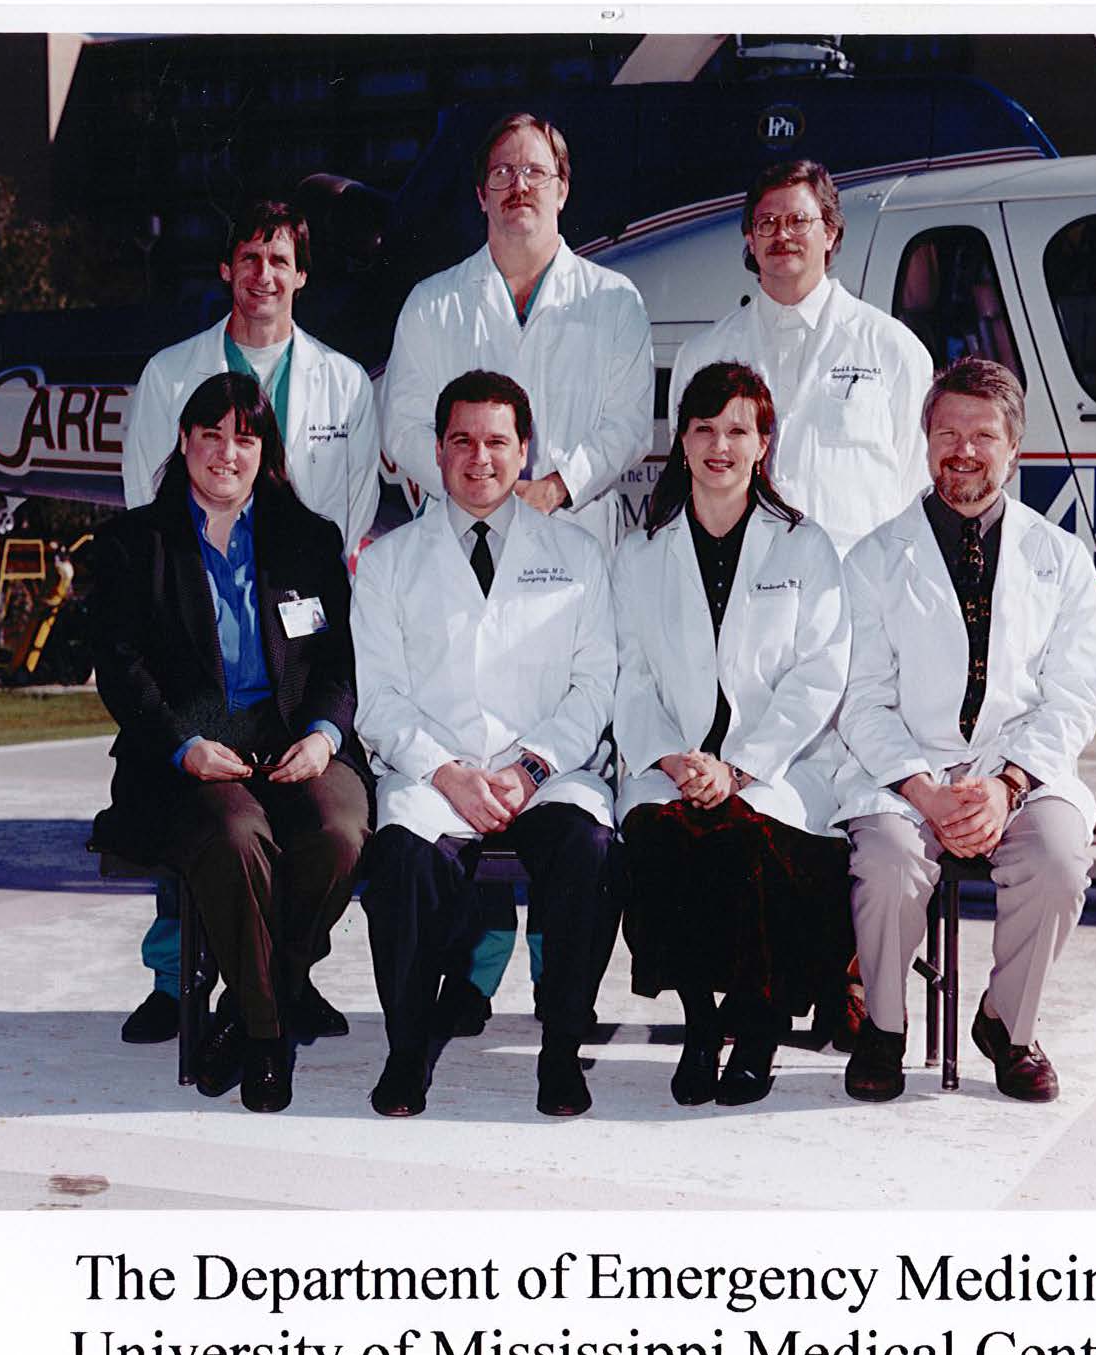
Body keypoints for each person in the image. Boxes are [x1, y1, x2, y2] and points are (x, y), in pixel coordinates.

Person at [379, 110, 651, 1038]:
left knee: (556, 766)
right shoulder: (434, 303)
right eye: (501, 172)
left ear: (563, 187)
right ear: (481, 191)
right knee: (467, 740)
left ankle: (557, 984)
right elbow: (404, 423)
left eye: (535, 171)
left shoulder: (613, 299)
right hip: (458, 543)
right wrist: (479, 495)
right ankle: (470, 969)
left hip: (571, 548)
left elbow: (627, 424)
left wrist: (550, 488)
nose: (518, 187)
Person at [115, 199, 379, 1049]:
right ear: (226, 269)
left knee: (322, 827)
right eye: (249, 258)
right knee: (209, 820)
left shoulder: (344, 382)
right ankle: (175, 976)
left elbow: (351, 514)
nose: (264, 274)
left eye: (280, 259)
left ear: (301, 274)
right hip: (192, 652)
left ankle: (278, 978)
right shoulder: (168, 374)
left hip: (295, 648)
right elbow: (143, 507)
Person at [91, 373, 372, 1113]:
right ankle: (268, 1035)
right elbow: (120, 670)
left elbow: (339, 661)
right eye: (209, 435)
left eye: (243, 438)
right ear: (183, 442)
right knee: (236, 835)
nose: (225, 452)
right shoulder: (133, 545)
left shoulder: (309, 542)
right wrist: (184, 745)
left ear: (264, 452)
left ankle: (240, 1011)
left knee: (340, 829)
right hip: (184, 757)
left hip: (292, 746)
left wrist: (322, 735)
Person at [836, 358, 1096, 1104]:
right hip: (907, 773)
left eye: (982, 435)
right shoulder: (871, 560)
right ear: (923, 442)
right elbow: (861, 698)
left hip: (1017, 769)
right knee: (891, 859)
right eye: (946, 433)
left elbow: (1076, 692)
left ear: (1013, 447)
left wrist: (1005, 783)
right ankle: (884, 1027)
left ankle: (1006, 1024)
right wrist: (925, 793)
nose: (963, 450)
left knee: (1058, 858)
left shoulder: (1059, 560)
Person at [353, 370, 621, 1120]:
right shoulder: (386, 564)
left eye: (497, 440)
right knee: (404, 862)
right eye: (462, 440)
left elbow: (594, 685)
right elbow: (378, 698)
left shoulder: (575, 554)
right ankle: (407, 1053)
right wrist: (445, 771)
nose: (480, 457)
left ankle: (561, 1050)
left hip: (545, 770)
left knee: (591, 852)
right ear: (436, 451)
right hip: (432, 771)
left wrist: (530, 767)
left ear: (524, 450)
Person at [614, 362, 852, 1107]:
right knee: (659, 834)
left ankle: (753, 1032)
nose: (720, 445)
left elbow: (820, 673)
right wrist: (673, 760)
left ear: (763, 443)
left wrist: (740, 767)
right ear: (680, 442)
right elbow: (630, 676)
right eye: (704, 429)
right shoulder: (640, 553)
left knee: (745, 841)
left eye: (736, 430)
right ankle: (696, 1024)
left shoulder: (804, 548)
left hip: (776, 772)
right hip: (673, 764)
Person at [668, 159, 934, 560]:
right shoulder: (703, 355)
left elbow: (916, 489)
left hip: (854, 590)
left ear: (830, 232)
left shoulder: (893, 349)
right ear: (749, 239)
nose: (782, 235)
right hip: (744, 584)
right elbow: (690, 478)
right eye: (767, 223)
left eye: (798, 221)